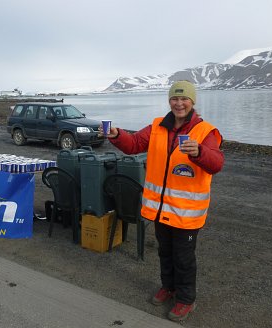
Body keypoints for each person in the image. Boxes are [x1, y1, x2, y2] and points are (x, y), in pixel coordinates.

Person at [103, 81, 224, 322]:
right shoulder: (158, 126)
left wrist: (199, 152)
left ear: (192, 102)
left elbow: (217, 163)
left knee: (184, 257)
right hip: (159, 209)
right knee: (165, 252)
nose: (179, 103)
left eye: (184, 99)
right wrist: (117, 135)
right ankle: (168, 287)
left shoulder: (206, 131)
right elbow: (135, 144)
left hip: (187, 213)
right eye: (174, 99)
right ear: (169, 101)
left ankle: (186, 299)